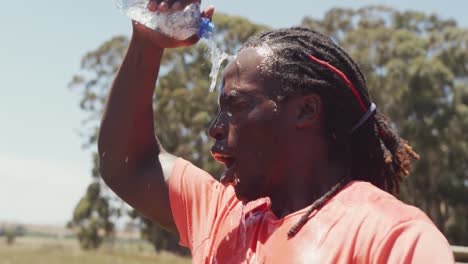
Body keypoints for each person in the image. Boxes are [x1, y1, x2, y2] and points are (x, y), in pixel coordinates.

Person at [98, 0, 454, 263]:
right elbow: (127, 164)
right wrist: (146, 43)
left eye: (236, 106)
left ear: (305, 111)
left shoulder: (390, 238)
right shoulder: (223, 213)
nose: (214, 129)